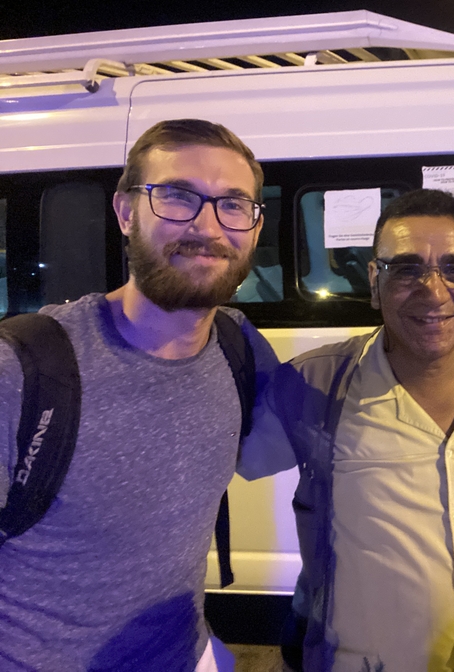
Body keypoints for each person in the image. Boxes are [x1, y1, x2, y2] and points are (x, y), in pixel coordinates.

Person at [0, 119, 278, 672]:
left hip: (186, 654)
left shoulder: (237, 345)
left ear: (254, 226)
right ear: (126, 212)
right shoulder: (22, 372)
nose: (207, 226)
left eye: (233, 204)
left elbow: (338, 424)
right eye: (177, 196)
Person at [239, 189, 454, 672]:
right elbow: (221, 461)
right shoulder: (314, 386)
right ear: (374, 281)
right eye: (406, 269)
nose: (434, 291)